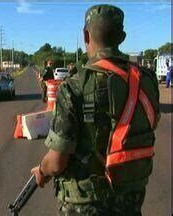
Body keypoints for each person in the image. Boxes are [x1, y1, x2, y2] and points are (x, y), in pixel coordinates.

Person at [31, 4, 160, 215]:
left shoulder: (74, 86)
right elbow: (150, 124)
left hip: (84, 203)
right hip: (130, 198)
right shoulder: (147, 80)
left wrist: (42, 170)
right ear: (123, 37)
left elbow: (57, 161)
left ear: (85, 35)